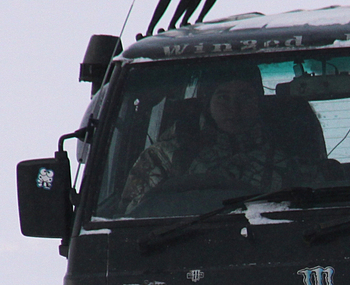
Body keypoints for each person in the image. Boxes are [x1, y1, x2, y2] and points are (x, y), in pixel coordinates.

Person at [118, 62, 330, 211]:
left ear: (258, 102)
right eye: (223, 98)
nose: (234, 108)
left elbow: (318, 209)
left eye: (245, 97)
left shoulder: (290, 151)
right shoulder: (165, 157)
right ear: (207, 103)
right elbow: (133, 217)